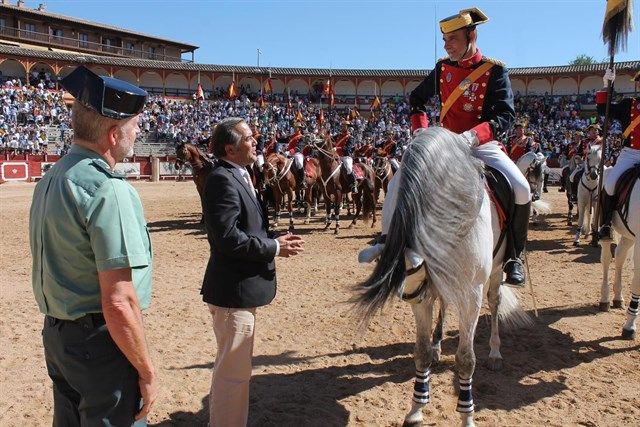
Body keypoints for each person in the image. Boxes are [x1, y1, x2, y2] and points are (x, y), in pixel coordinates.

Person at [29, 66, 157, 426]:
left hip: (59, 336)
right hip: (100, 344)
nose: (138, 132)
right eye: (134, 125)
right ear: (114, 134)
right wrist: (146, 370)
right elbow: (118, 299)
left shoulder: (51, 177)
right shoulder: (108, 189)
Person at [376, 7, 531, 287]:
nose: (447, 45)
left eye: (453, 39)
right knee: (399, 178)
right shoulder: (442, 68)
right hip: (445, 144)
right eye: (445, 40)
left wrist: (472, 137)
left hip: (481, 145)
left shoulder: (495, 71)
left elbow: (505, 115)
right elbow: (416, 99)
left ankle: (513, 257)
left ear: (471, 36)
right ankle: (389, 238)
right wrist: (421, 130)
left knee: (521, 189)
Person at [201, 117, 305, 427]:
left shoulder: (240, 174)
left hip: (240, 289)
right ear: (231, 149)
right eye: (249, 138)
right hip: (234, 292)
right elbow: (228, 238)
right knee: (233, 377)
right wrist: (273, 248)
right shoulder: (222, 178)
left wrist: (273, 240)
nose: (256, 141)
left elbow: (248, 228)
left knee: (236, 372)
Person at [597, 69, 640, 240]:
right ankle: (606, 224)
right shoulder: (628, 104)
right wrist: (606, 86)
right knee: (610, 184)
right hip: (630, 155)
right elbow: (603, 110)